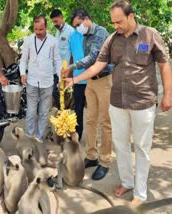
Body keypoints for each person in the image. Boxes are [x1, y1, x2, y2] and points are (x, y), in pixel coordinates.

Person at [64, 0, 172, 205]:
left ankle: (140, 193)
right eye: (113, 22)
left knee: (141, 148)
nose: (116, 26)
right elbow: (98, 65)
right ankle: (127, 182)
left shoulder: (150, 34)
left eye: (119, 21)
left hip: (143, 102)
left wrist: (168, 94)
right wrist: (75, 79)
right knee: (120, 145)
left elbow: (164, 66)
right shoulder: (113, 39)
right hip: (118, 103)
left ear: (131, 16)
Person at [63, 9, 113, 181]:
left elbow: (93, 58)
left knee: (105, 122)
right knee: (90, 119)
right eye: (75, 26)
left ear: (86, 19)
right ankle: (91, 156)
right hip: (91, 81)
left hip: (104, 80)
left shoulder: (100, 32)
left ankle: (105, 161)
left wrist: (72, 68)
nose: (77, 28)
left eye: (78, 24)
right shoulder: (84, 36)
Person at [19, 15, 62, 143]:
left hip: (48, 82)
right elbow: (23, 60)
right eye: (36, 29)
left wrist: (60, 77)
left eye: (41, 29)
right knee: (31, 111)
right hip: (32, 81)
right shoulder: (28, 40)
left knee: (44, 112)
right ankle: (28, 136)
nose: (38, 32)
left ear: (46, 27)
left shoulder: (53, 41)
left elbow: (57, 60)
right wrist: (22, 73)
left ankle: (39, 137)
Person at [50, 9, 75, 110]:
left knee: (66, 93)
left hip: (67, 70)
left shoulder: (71, 32)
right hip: (57, 69)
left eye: (56, 21)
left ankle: (67, 115)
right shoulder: (57, 32)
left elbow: (73, 54)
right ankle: (61, 113)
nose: (54, 24)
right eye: (53, 22)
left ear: (61, 18)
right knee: (55, 92)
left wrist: (70, 72)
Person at [69, 28, 87, 141]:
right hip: (78, 80)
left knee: (94, 111)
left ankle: (93, 140)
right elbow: (71, 56)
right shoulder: (72, 36)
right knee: (78, 109)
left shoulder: (91, 34)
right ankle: (78, 135)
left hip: (93, 78)